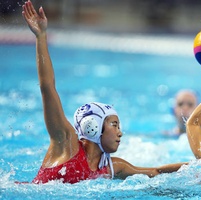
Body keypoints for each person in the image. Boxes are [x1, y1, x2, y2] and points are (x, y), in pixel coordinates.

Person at [22, 0, 187, 184]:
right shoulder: (66, 144)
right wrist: (41, 36)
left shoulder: (110, 167)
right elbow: (47, 87)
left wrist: (198, 166)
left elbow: (155, 171)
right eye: (114, 125)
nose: (120, 133)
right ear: (93, 126)